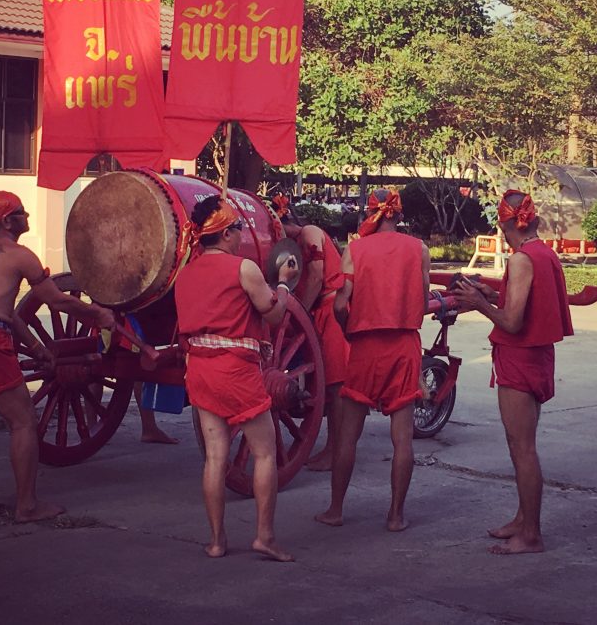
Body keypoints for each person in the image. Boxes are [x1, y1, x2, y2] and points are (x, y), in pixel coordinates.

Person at [0, 190, 114, 524]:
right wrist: (97, 314)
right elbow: (57, 300)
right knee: (23, 422)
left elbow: (5, 312)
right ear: (8, 221)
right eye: (22, 212)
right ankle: (26, 506)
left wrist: (38, 349)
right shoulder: (20, 255)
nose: (27, 217)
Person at [175, 194, 298, 562]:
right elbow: (274, 315)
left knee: (215, 457)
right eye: (239, 228)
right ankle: (264, 537)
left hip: (200, 369)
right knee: (265, 453)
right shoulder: (244, 268)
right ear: (226, 233)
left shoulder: (185, 274)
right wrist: (284, 284)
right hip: (235, 371)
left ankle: (216, 541)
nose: (242, 234)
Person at [452, 190, 573, 555]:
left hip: (520, 359)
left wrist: (479, 303)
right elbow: (525, 305)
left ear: (509, 224)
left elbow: (513, 322)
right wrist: (491, 295)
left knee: (523, 449)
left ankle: (531, 534)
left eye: (502, 228)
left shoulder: (522, 259)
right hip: (538, 357)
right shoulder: (544, 253)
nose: (503, 234)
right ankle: (523, 519)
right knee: (520, 444)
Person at [315, 189, 430, 532]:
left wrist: (348, 330)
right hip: (404, 345)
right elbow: (424, 299)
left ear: (370, 214)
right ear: (399, 215)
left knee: (348, 436)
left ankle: (335, 510)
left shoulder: (355, 249)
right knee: (402, 439)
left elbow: (340, 304)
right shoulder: (419, 249)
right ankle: (395, 516)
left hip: (365, 346)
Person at [272, 192, 348, 471]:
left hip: (331, 310)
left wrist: (297, 312)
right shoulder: (294, 245)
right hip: (319, 311)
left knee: (336, 386)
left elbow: (316, 276)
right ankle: (330, 447)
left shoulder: (309, 232)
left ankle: (335, 451)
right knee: (326, 384)